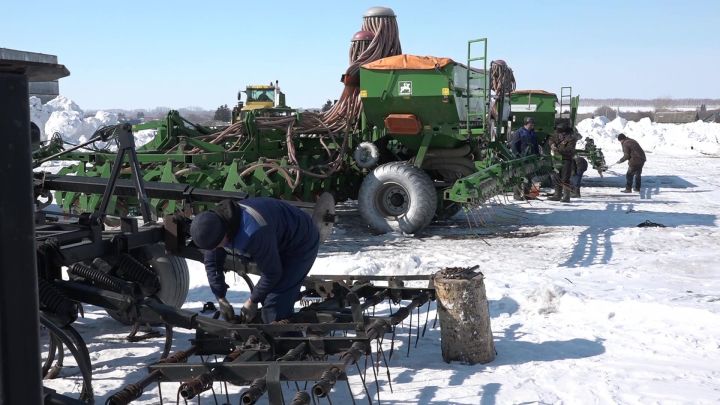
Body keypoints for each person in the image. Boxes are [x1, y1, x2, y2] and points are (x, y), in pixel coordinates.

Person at [190, 198, 320, 323]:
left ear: (225, 233)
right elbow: (212, 263)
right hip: (275, 236)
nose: (217, 248)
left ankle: (287, 342)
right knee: (268, 299)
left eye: (218, 245)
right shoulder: (215, 225)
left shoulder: (253, 232)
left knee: (275, 306)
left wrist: (253, 301)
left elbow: (272, 273)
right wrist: (220, 298)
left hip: (301, 240)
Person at [547, 122, 577, 202]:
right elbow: (551, 139)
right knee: (557, 177)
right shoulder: (557, 134)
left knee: (565, 178)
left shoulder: (571, 137)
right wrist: (552, 144)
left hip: (566, 159)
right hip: (557, 158)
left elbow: (570, 150)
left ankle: (566, 197)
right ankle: (557, 195)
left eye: (561, 131)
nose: (559, 133)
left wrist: (558, 150)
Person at [510, 116, 539, 200]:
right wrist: (517, 156)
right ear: (526, 124)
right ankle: (517, 195)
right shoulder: (519, 132)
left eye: (533, 124)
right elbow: (514, 145)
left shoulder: (532, 133)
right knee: (519, 177)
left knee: (529, 177)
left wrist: (537, 155)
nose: (532, 125)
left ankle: (527, 194)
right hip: (521, 158)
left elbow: (536, 145)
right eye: (531, 124)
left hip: (530, 158)